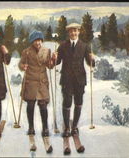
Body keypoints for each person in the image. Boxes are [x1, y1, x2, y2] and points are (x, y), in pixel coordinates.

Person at [52, 23, 95, 153]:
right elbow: (57, 62)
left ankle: (74, 126)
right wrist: (54, 57)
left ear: (79, 32)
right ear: (68, 33)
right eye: (71, 31)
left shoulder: (84, 46)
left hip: (79, 79)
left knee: (78, 103)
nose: (73, 33)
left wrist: (92, 59)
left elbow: (89, 62)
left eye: (75, 31)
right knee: (67, 102)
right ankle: (66, 128)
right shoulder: (63, 45)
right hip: (66, 78)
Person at [19, 30, 55, 138]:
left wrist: (53, 60)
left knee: (43, 106)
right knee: (30, 105)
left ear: (41, 41)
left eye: (39, 40)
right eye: (35, 41)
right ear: (32, 42)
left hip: (42, 82)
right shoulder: (26, 52)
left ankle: (45, 128)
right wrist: (23, 67)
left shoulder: (47, 51)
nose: (38, 43)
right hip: (30, 81)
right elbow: (21, 63)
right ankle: (31, 127)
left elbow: (50, 66)